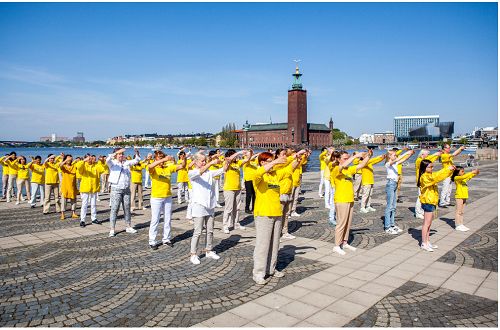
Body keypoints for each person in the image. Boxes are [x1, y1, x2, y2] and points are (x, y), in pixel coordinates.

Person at [252, 152, 289, 285]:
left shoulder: (274, 175)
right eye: (269, 161)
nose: (273, 163)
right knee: (263, 244)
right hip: (264, 213)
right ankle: (258, 273)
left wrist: (297, 158)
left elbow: (289, 168)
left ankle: (271, 269)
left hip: (276, 212)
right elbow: (256, 174)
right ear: (262, 162)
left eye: (273, 160)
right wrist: (274, 162)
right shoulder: (259, 174)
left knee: (274, 244)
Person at [331, 150, 371, 255]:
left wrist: (368, 156)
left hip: (350, 199)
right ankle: (336, 245)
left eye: (347, 158)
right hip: (341, 199)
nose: (347, 160)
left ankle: (344, 242)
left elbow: (361, 165)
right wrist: (355, 156)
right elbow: (342, 166)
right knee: (341, 223)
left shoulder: (349, 169)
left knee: (348, 223)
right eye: (345, 158)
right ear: (339, 159)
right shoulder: (336, 169)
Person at [188, 153, 225, 264]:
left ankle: (208, 250)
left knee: (210, 230)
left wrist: (227, 161)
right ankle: (193, 254)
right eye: (202, 161)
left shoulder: (209, 172)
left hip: (210, 205)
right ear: (195, 162)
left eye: (205, 160)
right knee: (198, 231)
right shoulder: (192, 172)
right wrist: (211, 162)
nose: (204, 162)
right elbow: (201, 171)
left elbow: (222, 170)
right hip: (198, 205)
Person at [148, 150, 185, 250]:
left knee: (168, 219)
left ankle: (166, 239)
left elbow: (181, 166)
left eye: (162, 157)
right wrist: (163, 159)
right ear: (155, 159)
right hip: (156, 197)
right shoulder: (154, 167)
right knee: (155, 219)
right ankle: (152, 241)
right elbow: (150, 167)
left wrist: (183, 158)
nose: (162, 159)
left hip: (167, 196)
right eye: (159, 157)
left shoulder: (168, 167)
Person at [417, 159, 455, 252]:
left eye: (432, 166)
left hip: (432, 201)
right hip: (428, 201)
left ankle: (427, 241)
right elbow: (436, 176)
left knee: (429, 223)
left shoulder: (429, 175)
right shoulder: (424, 177)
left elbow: (438, 176)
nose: (432, 168)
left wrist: (449, 170)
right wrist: (447, 169)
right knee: (426, 223)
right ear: (424, 168)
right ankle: (424, 243)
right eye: (430, 167)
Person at [106, 148, 141, 237]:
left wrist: (136, 152)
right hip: (116, 189)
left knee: (127, 208)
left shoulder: (126, 163)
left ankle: (128, 226)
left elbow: (136, 160)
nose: (121, 155)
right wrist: (116, 152)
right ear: (116, 155)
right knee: (114, 209)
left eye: (122, 154)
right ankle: (112, 229)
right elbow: (107, 160)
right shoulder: (113, 163)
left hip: (126, 189)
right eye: (119, 154)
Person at [383, 149, 414, 234]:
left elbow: (403, 159)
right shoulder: (387, 164)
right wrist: (406, 152)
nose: (395, 156)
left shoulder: (395, 163)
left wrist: (410, 154)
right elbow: (397, 160)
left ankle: (392, 225)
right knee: (389, 206)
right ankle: (387, 227)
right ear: (389, 156)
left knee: (394, 206)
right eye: (394, 155)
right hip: (390, 184)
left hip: (395, 184)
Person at [221, 149, 250, 234]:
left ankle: (236, 223)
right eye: (234, 155)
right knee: (229, 208)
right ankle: (225, 225)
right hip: (229, 188)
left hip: (237, 188)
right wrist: (239, 152)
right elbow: (228, 161)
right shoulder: (226, 162)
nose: (236, 157)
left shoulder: (237, 163)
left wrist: (249, 153)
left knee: (237, 208)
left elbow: (247, 159)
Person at [76, 155, 104, 227]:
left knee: (93, 204)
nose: (90, 160)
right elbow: (78, 166)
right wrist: (84, 160)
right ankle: (82, 220)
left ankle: (94, 218)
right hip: (85, 188)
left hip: (94, 188)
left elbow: (103, 169)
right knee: (84, 205)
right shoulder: (83, 165)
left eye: (91, 158)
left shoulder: (96, 165)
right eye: (89, 158)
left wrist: (101, 161)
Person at [414, 149, 442, 219]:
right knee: (420, 197)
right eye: (427, 154)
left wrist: (437, 155)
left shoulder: (425, 161)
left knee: (423, 196)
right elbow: (428, 159)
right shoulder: (419, 160)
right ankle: (418, 212)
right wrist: (435, 154)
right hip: (421, 181)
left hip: (426, 180)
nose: (428, 156)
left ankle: (422, 210)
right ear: (422, 154)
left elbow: (430, 161)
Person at [451, 166, 479, 232]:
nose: (464, 172)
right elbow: (463, 177)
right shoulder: (456, 178)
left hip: (464, 196)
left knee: (462, 211)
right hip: (459, 196)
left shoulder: (463, 179)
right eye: (462, 171)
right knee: (458, 211)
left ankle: (461, 224)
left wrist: (475, 173)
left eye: (464, 171)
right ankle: (457, 225)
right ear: (457, 173)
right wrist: (472, 172)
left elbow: (469, 177)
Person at [59, 155, 79, 220]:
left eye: (70, 158)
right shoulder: (64, 167)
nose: (69, 159)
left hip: (73, 186)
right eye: (68, 158)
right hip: (65, 186)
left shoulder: (73, 166)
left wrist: (77, 160)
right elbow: (60, 165)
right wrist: (65, 160)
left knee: (73, 200)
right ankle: (62, 214)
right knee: (64, 201)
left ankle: (73, 213)